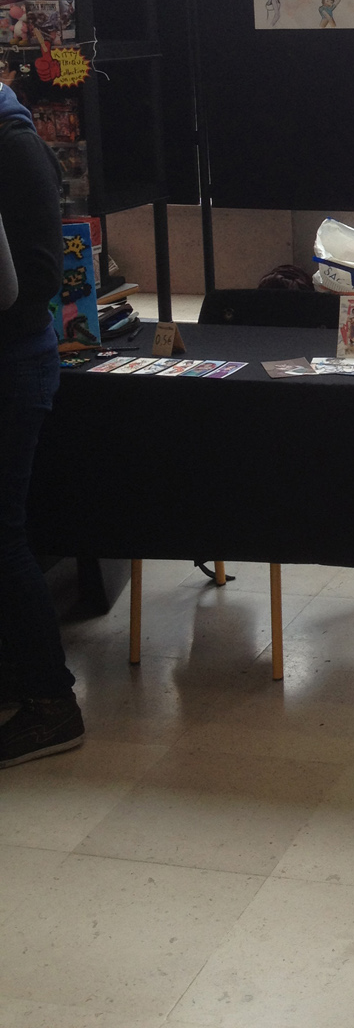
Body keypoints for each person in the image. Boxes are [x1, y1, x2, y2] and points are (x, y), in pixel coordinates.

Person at [0, 80, 84, 765]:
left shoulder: (16, 146)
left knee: (2, 537)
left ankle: (51, 704)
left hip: (12, 368)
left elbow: (32, 292)